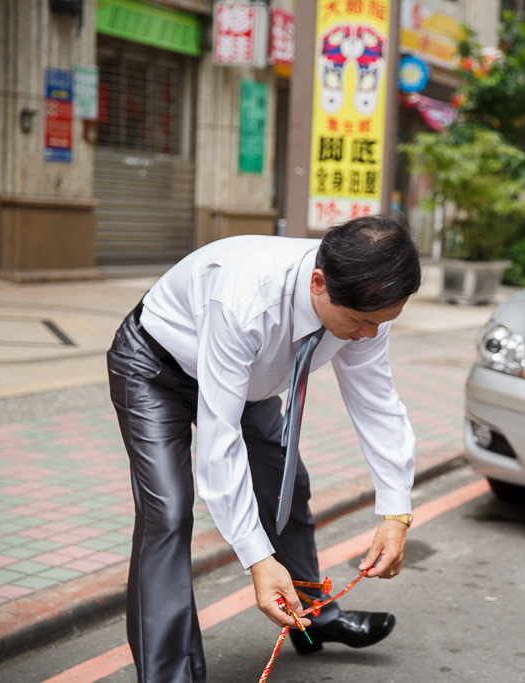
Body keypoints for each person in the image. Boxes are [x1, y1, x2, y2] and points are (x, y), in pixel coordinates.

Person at [107, 215, 421, 683]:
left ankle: (313, 617)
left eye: (382, 323)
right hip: (156, 367)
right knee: (168, 513)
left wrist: (396, 511)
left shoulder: (365, 302)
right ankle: (169, 676)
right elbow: (220, 437)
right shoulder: (246, 298)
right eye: (359, 323)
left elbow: (376, 402)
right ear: (318, 283)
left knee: (288, 484)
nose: (368, 335)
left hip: (248, 382)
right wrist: (257, 559)